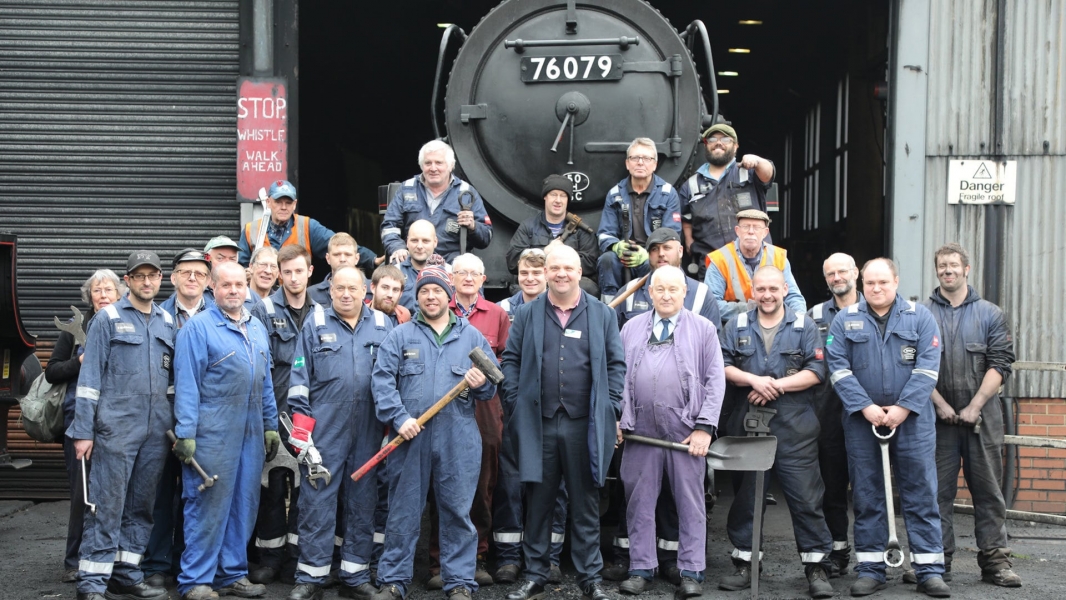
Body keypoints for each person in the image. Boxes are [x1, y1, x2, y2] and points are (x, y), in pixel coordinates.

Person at [500, 245, 624, 600]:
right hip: (539, 424)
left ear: (579, 270)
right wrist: (514, 399)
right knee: (538, 503)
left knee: (585, 504)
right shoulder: (527, 314)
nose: (561, 274)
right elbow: (510, 360)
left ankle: (590, 579)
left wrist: (610, 407)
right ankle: (535, 574)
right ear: (547, 271)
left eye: (568, 267)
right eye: (554, 268)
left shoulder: (601, 314)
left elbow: (617, 365)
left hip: (583, 425)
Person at [371, 264, 498, 600]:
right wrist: (399, 418)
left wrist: (482, 381)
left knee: (457, 511)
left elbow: (493, 384)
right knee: (403, 510)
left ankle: (458, 582)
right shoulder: (400, 336)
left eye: (437, 290)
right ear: (417, 295)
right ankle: (394, 580)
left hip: (458, 439)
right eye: (424, 290)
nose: (430, 296)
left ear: (449, 295)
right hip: (411, 438)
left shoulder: (470, 336)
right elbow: (382, 382)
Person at [826, 258, 949, 598]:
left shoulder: (920, 317)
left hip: (913, 423)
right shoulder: (845, 320)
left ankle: (929, 570)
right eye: (870, 283)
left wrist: (902, 408)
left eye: (883, 282)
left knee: (921, 493)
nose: (876, 288)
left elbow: (928, 368)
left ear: (896, 281)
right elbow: (838, 369)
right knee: (867, 495)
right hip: (861, 422)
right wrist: (865, 407)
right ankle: (870, 568)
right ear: (861, 284)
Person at [607, 227, 719, 583]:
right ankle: (641, 567)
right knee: (638, 502)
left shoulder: (703, 329)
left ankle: (691, 571)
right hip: (640, 431)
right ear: (650, 292)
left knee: (690, 503)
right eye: (660, 288)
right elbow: (619, 379)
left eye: (674, 289)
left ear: (684, 292)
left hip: (686, 431)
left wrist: (704, 427)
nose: (666, 294)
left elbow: (716, 380)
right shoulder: (631, 328)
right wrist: (619, 421)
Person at [717, 266, 835, 598]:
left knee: (806, 496)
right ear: (751, 292)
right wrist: (753, 380)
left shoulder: (804, 325)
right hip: (748, 421)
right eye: (760, 289)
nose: (767, 295)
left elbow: (817, 371)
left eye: (773, 288)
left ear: (785, 289)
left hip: (794, 425)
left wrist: (775, 386)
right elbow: (721, 365)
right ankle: (745, 564)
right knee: (747, 499)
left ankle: (816, 568)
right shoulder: (736, 324)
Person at [67, 251, 175, 600]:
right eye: (139, 276)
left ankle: (126, 573)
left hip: (156, 432)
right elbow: (89, 379)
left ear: (160, 279)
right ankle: (92, 583)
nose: (146, 282)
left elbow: (172, 381)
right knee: (106, 505)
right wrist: (83, 431)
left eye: (152, 275)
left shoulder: (167, 322)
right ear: (127, 280)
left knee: (141, 506)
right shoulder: (107, 318)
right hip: (115, 430)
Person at [173, 261, 280, 600]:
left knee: (243, 504)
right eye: (226, 285)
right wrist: (186, 433)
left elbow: (265, 384)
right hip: (212, 430)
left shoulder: (256, 328)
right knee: (208, 504)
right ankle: (195, 580)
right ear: (213, 289)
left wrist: (270, 425)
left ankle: (231, 574)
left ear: (246, 286)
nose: (233, 290)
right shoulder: (198, 328)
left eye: (238, 284)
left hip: (250, 430)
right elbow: (186, 384)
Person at [285, 267, 393, 600]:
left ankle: (355, 574)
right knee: (317, 501)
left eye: (353, 288)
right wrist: (302, 435)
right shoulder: (315, 324)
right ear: (329, 290)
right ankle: (310, 576)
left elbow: (395, 380)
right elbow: (299, 381)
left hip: (370, 430)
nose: (346, 294)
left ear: (366, 291)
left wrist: (391, 427)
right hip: (326, 429)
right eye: (339, 288)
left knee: (363, 502)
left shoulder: (384, 326)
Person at [923, 243, 1020, 587]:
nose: (947, 271)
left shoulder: (990, 313)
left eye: (953, 265)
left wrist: (974, 406)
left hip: (983, 418)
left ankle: (996, 563)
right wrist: (939, 404)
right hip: (935, 419)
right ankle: (935, 562)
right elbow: (913, 365)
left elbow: (1000, 363)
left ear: (967, 269)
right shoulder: (922, 314)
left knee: (989, 492)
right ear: (936, 271)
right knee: (935, 493)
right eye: (941, 266)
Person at [422, 254, 511, 590]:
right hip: (445, 409)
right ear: (451, 278)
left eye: (475, 273)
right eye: (461, 272)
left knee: (482, 485)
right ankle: (438, 561)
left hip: (484, 410)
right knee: (441, 486)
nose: (468, 278)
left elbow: (502, 364)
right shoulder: (439, 309)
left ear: (484, 278)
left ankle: (477, 557)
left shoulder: (497, 314)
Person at [493, 248, 569, 584]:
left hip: (554, 411)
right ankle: (509, 557)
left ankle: (549, 557)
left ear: (548, 275)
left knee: (556, 484)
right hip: (515, 410)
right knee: (510, 482)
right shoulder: (503, 311)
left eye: (537, 273)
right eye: (525, 272)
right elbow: (502, 359)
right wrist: (512, 397)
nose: (530, 278)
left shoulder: (563, 310)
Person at [45, 269, 124, 585]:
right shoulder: (77, 330)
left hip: (118, 423)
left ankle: (111, 558)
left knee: (117, 494)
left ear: (119, 293)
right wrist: (79, 362)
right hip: (79, 422)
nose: (103, 295)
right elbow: (52, 372)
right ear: (89, 296)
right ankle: (74, 561)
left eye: (109, 289)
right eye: (97, 290)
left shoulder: (126, 322)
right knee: (83, 495)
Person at [248, 244, 319, 585]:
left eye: (298, 271)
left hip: (310, 416)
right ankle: (270, 558)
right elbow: (259, 365)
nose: (293, 277)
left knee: (307, 490)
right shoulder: (263, 310)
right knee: (271, 489)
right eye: (286, 271)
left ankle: (295, 558)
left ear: (310, 272)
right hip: (275, 413)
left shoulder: (322, 310)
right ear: (279, 274)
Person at [144, 249, 214, 587]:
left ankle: (186, 562)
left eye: (199, 274)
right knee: (160, 493)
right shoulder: (156, 315)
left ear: (208, 280)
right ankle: (156, 564)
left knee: (194, 495)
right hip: (162, 418)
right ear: (172, 277)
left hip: (205, 420)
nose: (192, 278)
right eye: (185, 272)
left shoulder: (219, 313)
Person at [806, 252, 860, 578]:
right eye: (831, 273)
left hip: (866, 414)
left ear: (856, 272)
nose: (837, 277)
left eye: (842, 271)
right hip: (826, 414)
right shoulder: (813, 315)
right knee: (832, 488)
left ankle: (874, 558)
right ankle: (837, 551)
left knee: (869, 491)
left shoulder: (877, 309)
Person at [678, 123, 774, 280]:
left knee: (762, 302)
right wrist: (688, 239)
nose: (718, 142)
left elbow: (768, 173)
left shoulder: (749, 173)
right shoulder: (691, 184)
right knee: (713, 304)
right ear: (706, 145)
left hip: (757, 261)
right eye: (713, 139)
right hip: (712, 263)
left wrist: (757, 160)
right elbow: (685, 217)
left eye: (725, 139)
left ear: (736, 146)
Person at [596, 138, 681, 302]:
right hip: (623, 254)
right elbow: (605, 233)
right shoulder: (615, 194)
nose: (640, 163)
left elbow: (672, 234)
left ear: (655, 164)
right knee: (607, 260)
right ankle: (609, 311)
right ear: (627, 164)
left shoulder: (668, 193)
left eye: (647, 158)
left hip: (653, 255)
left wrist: (649, 254)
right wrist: (617, 246)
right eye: (635, 158)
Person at [381, 140, 492, 263]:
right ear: (422, 165)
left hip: (450, 266)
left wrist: (473, 226)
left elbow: (486, 236)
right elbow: (389, 227)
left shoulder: (466, 192)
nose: (433, 168)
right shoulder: (406, 189)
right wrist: (398, 248)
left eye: (439, 163)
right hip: (411, 262)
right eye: (428, 163)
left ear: (451, 166)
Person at [704, 209, 805, 325]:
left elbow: (794, 297)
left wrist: (799, 322)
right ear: (737, 231)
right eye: (746, 227)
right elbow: (711, 304)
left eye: (757, 228)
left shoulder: (778, 257)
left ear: (765, 233)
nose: (751, 232)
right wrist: (751, 309)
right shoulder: (720, 259)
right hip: (735, 328)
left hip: (774, 326)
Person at [506, 174, 599, 295]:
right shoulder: (528, 226)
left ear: (567, 200)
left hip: (568, 282)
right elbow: (513, 261)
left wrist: (561, 257)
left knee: (588, 287)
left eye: (563, 196)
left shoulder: (581, 229)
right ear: (545, 197)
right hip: (538, 281)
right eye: (553, 195)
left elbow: (591, 262)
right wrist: (544, 251)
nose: (558, 200)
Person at [615, 228, 720, 329]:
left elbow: (713, 342)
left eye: (667, 248)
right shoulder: (629, 292)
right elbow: (610, 338)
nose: (661, 254)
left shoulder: (701, 294)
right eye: (655, 249)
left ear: (680, 251)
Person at [238, 179, 336, 266]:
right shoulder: (250, 230)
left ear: (294, 204)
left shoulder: (308, 226)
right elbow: (240, 266)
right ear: (268, 202)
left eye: (288, 203)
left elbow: (339, 246)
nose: (284, 207)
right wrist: (245, 273)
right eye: (278, 202)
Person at [308, 233, 379, 305]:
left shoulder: (374, 289)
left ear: (357, 258)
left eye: (348, 254)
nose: (342, 259)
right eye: (337, 255)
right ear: (328, 258)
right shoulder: (311, 294)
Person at [393, 220, 443, 313]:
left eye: (425, 241)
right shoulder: (394, 272)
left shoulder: (448, 272)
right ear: (407, 242)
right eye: (414, 240)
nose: (419, 246)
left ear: (435, 242)